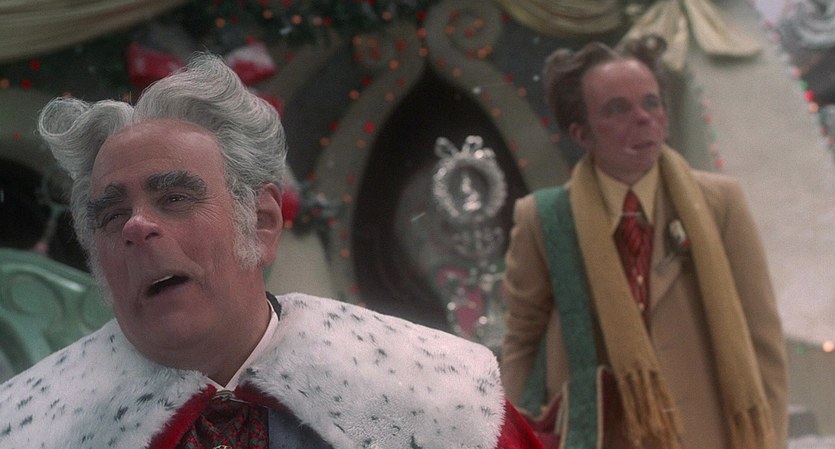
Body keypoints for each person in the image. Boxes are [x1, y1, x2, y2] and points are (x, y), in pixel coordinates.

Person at [0, 53, 542, 449]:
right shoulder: (30, 431)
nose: (137, 226)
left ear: (260, 223)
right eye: (112, 215)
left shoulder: (442, 400)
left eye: (175, 197)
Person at [499, 35, 788, 449]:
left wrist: (769, 440)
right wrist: (515, 437)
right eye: (617, 109)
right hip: (602, 436)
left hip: (708, 435)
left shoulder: (720, 202)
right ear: (581, 133)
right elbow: (522, 342)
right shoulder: (544, 219)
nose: (643, 118)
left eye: (651, 103)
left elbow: (763, 338)